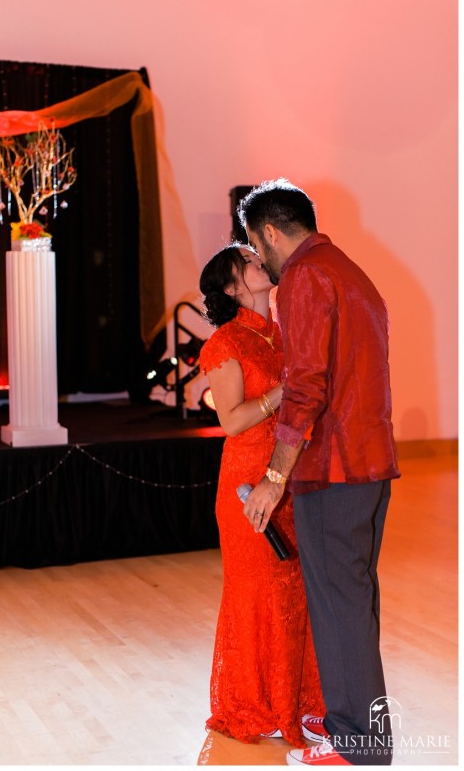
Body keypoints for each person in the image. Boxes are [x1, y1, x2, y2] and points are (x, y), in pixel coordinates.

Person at [237, 179, 400, 766]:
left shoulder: (304, 277)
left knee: (339, 603)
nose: (260, 260)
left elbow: (305, 388)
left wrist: (273, 478)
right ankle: (353, 723)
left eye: (255, 246)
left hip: (333, 468)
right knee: (352, 600)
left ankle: (358, 744)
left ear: (270, 232)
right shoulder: (349, 271)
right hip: (368, 464)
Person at [199, 242, 325, 747]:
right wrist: (281, 392)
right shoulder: (225, 342)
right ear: (233, 288)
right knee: (257, 592)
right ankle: (254, 701)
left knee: (294, 592)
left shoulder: (281, 333)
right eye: (248, 262)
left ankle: (295, 699)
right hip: (249, 481)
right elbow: (231, 421)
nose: (260, 263)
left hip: (289, 474)